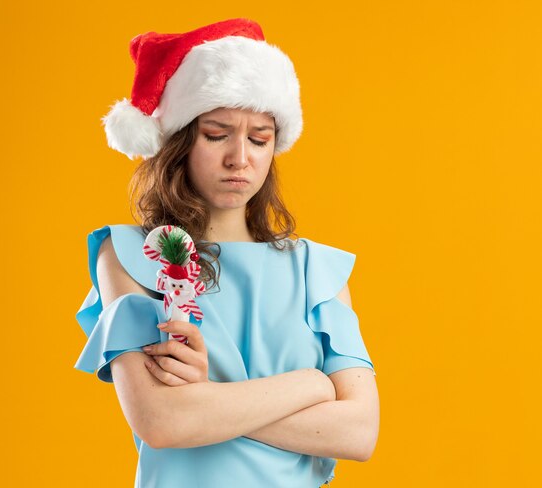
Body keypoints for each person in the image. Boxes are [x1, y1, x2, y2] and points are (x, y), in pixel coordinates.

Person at [74, 18, 379, 487]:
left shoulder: (316, 269)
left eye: (259, 138)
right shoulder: (129, 253)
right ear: (180, 141)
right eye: (217, 134)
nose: (241, 157)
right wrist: (310, 386)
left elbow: (359, 432)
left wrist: (207, 402)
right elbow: (162, 423)